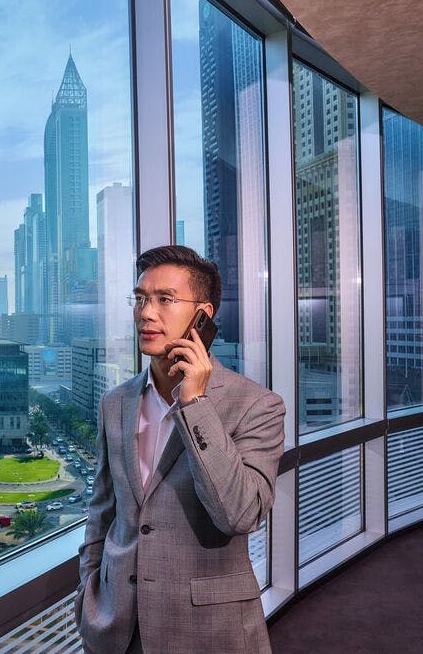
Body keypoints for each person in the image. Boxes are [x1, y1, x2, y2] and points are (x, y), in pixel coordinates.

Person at [74, 245, 285, 653]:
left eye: (165, 300)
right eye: (140, 298)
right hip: (116, 627)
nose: (145, 313)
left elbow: (239, 513)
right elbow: (103, 510)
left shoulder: (258, 405)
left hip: (208, 630)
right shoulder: (115, 402)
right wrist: (89, 591)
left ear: (202, 315)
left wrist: (195, 406)